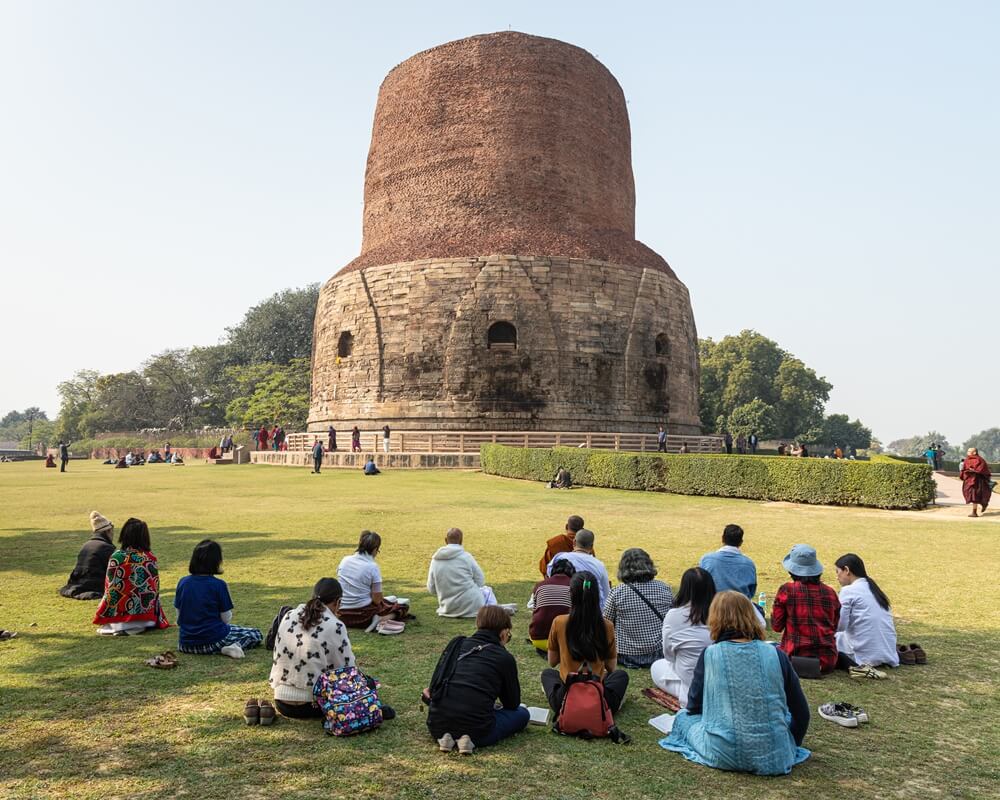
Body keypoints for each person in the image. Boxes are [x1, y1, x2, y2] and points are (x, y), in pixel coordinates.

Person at [661, 591, 810, 776]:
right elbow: (801, 713)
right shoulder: (776, 654)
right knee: (783, 717)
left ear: (714, 618)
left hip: (722, 752)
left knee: (683, 718)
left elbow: (694, 706)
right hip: (775, 755)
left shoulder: (710, 654)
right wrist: (789, 743)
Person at [268, 577, 395, 720]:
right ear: (338, 602)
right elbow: (348, 671)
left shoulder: (289, 615)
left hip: (282, 702)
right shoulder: (334, 625)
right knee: (368, 683)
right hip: (312, 705)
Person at [425, 606, 529, 754]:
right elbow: (512, 703)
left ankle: (448, 738)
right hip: (480, 731)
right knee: (523, 714)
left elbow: (435, 686)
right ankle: (468, 738)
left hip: (436, 725)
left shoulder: (456, 644)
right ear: (504, 632)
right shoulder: (504, 657)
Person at [541, 571, 629, 717]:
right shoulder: (606, 626)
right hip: (598, 697)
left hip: (566, 698)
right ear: (596, 595)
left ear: (571, 595)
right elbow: (612, 667)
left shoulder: (559, 622)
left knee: (548, 674)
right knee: (620, 676)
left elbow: (552, 662)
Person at [174, 539, 262, 658]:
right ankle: (232, 646)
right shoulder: (219, 585)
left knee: (233, 629)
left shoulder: (183, 582)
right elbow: (226, 618)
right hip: (213, 639)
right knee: (254, 633)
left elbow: (179, 617)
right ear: (216, 562)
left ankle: (228, 646)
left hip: (185, 644)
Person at [650, 567, 716, 706]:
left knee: (657, 666)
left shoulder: (674, 615)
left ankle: (688, 694)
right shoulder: (723, 613)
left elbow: (668, 655)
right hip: (718, 683)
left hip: (690, 683)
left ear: (684, 588)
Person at [93, 518, 170, 635]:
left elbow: (109, 589)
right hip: (146, 619)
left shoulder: (116, 557)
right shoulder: (149, 558)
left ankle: (121, 628)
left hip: (116, 619)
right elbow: (154, 591)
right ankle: (133, 628)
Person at [771, 544, 840, 674]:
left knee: (768, 647)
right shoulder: (830, 592)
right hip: (826, 662)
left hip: (793, 658)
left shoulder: (787, 590)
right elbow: (834, 626)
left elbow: (776, 626)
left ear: (791, 570)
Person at [602, 549, 673, 668]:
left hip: (627, 654)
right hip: (658, 653)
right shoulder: (664, 588)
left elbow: (606, 622)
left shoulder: (617, 592)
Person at [427, 528, 513, 618]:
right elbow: (480, 581)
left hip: (448, 608)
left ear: (445, 540)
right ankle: (495, 611)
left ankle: (497, 609)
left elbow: (431, 588)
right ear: (461, 540)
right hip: (473, 606)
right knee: (487, 590)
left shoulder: (435, 560)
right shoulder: (466, 557)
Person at [834, 553, 899, 669]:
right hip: (888, 655)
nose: (837, 577)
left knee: (830, 637)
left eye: (837, 572)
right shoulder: (875, 589)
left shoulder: (848, 591)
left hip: (863, 658)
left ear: (847, 570)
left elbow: (840, 626)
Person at [336, 531, 409, 629]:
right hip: (363, 615)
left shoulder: (345, 560)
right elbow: (377, 600)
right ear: (375, 549)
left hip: (342, 615)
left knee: (388, 601)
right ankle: (381, 619)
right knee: (402, 607)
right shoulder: (372, 567)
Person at [59, 511, 116, 600]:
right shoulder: (106, 547)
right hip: (94, 584)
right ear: (108, 531)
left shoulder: (86, 545)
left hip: (78, 581)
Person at [547, 528, 611, 606]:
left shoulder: (560, 558)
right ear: (591, 547)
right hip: (592, 610)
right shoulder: (599, 565)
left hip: (563, 605)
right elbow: (606, 594)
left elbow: (550, 578)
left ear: (574, 542)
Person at [698, 524, 757, 601]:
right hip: (739, 609)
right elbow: (751, 592)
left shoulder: (707, 559)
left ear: (722, 539)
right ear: (741, 542)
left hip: (712, 608)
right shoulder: (748, 564)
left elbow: (699, 586)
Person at [528, 559, 575, 653]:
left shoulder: (540, 585)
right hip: (567, 642)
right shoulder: (575, 585)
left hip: (538, 639)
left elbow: (534, 609)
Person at [960, 447, 992, 517]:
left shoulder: (980, 460)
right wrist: (966, 473)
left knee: (976, 495)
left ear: (974, 452)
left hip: (978, 481)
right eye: (967, 451)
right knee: (971, 495)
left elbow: (982, 469)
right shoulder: (967, 460)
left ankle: (975, 511)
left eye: (969, 451)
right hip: (969, 481)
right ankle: (978, 509)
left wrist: (974, 471)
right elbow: (964, 469)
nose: (967, 452)